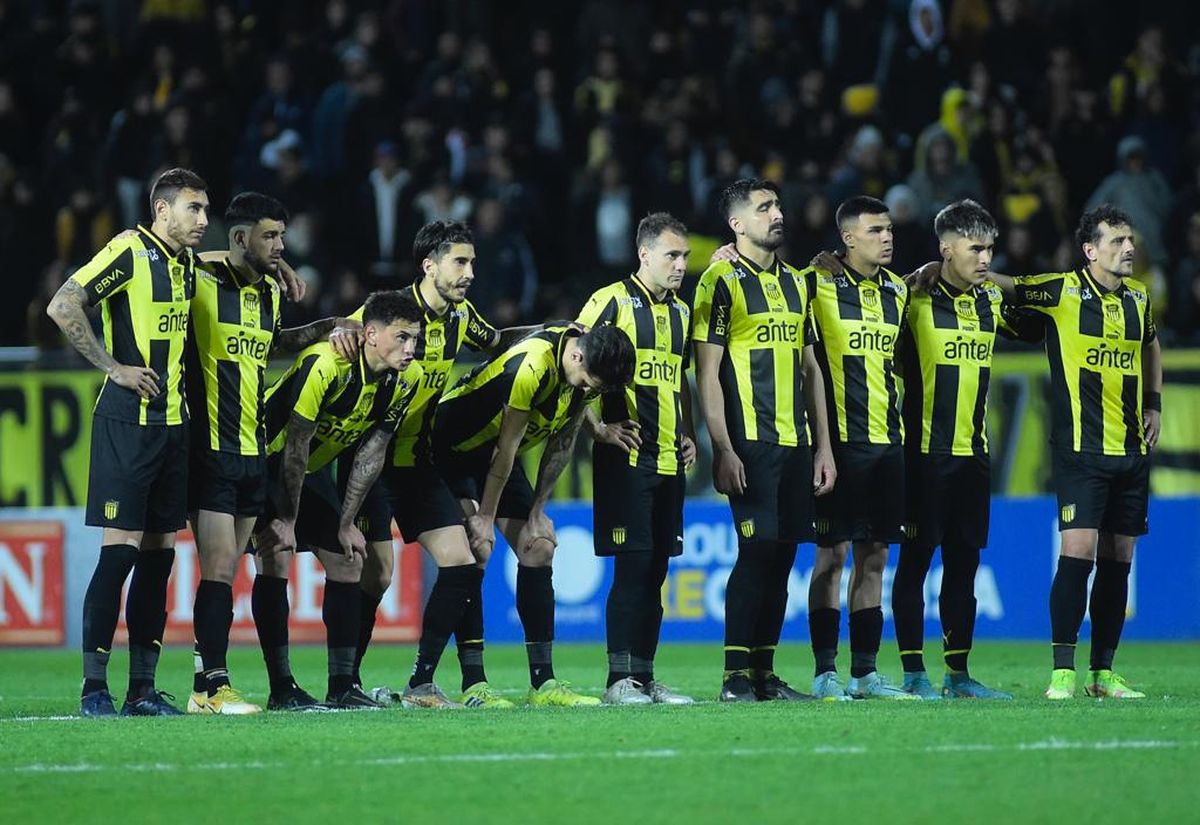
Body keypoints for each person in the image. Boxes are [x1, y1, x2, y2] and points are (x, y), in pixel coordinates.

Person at [933, 205, 1162, 699]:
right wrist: (950, 267)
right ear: (1090, 250)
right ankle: (1063, 669)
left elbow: (1151, 346)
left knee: (1119, 558)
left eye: (1130, 241)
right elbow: (1010, 284)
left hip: (1131, 448)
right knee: (1077, 552)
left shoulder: (1139, 299)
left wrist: (1155, 405)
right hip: (1080, 448)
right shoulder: (1063, 290)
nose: (1127, 249)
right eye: (1117, 241)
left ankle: (1103, 673)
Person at [333, 221, 539, 709]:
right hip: (370, 462)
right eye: (459, 262)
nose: (469, 272)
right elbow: (347, 327)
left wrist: (552, 332)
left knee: (463, 562)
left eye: (471, 262)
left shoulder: (462, 316)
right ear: (430, 266)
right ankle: (347, 683)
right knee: (378, 574)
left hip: (418, 464)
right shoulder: (389, 310)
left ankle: (423, 683)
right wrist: (336, 330)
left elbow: (499, 341)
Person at [47, 168, 208, 717]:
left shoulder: (185, 261)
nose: (203, 221)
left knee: (160, 558)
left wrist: (270, 261)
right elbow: (63, 304)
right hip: (126, 425)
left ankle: (142, 689)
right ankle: (95, 688)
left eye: (206, 210)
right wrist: (112, 366)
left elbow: (217, 265)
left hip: (174, 425)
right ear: (162, 210)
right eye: (194, 209)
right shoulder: (127, 250)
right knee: (120, 553)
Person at [183, 192, 349, 714]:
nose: (281, 246)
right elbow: (178, 255)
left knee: (230, 567)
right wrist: (269, 264)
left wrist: (326, 326)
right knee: (216, 566)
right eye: (270, 237)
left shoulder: (269, 295)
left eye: (283, 236)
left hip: (254, 448)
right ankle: (209, 687)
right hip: (209, 444)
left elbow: (273, 344)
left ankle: (210, 681)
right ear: (238, 238)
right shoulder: (200, 279)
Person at [432, 323, 636, 706]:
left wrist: (538, 511)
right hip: (453, 448)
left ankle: (543, 683)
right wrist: (485, 518)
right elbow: (506, 451)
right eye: (590, 381)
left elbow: (562, 443)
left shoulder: (582, 368)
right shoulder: (532, 367)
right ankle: (475, 684)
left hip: (496, 457)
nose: (589, 390)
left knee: (537, 545)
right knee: (477, 550)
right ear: (576, 357)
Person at [889, 200, 1041, 700]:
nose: (984, 258)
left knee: (964, 564)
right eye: (975, 249)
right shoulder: (911, 299)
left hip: (972, 456)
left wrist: (994, 279)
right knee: (915, 562)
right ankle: (914, 672)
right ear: (945, 248)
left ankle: (958, 674)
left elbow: (1042, 319)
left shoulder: (991, 302)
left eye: (990, 249)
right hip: (922, 454)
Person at [692, 179, 836, 703]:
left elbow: (811, 369)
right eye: (764, 207)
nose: (777, 213)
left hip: (796, 443)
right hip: (749, 442)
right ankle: (734, 677)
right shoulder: (720, 282)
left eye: (777, 204)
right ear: (737, 224)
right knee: (756, 551)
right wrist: (722, 448)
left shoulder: (800, 284)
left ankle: (765, 675)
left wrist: (823, 446)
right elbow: (707, 371)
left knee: (781, 557)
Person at [251, 290, 424, 710]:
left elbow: (372, 451)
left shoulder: (407, 379)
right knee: (275, 555)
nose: (410, 349)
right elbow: (294, 445)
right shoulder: (325, 364)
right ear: (369, 334)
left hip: (307, 473)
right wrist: (288, 520)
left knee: (348, 560)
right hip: (262, 464)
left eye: (415, 339)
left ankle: (342, 686)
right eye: (401, 338)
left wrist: (347, 521)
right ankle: (281, 688)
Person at [575, 212, 697, 705]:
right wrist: (598, 429)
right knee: (634, 566)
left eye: (685, 256)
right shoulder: (609, 301)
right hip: (626, 459)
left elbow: (677, 377)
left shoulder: (683, 313)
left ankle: (645, 677)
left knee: (657, 571)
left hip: (670, 458)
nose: (681, 265)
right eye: (672, 255)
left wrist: (688, 432)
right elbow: (572, 361)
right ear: (643, 254)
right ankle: (617, 680)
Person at [805, 196, 915, 700]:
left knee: (875, 559)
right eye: (875, 231)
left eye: (889, 229)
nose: (887, 238)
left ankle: (865, 674)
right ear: (847, 238)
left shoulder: (899, 290)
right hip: (839, 445)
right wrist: (723, 255)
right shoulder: (818, 284)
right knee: (832, 556)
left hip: (888, 445)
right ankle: (825, 671)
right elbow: (768, 281)